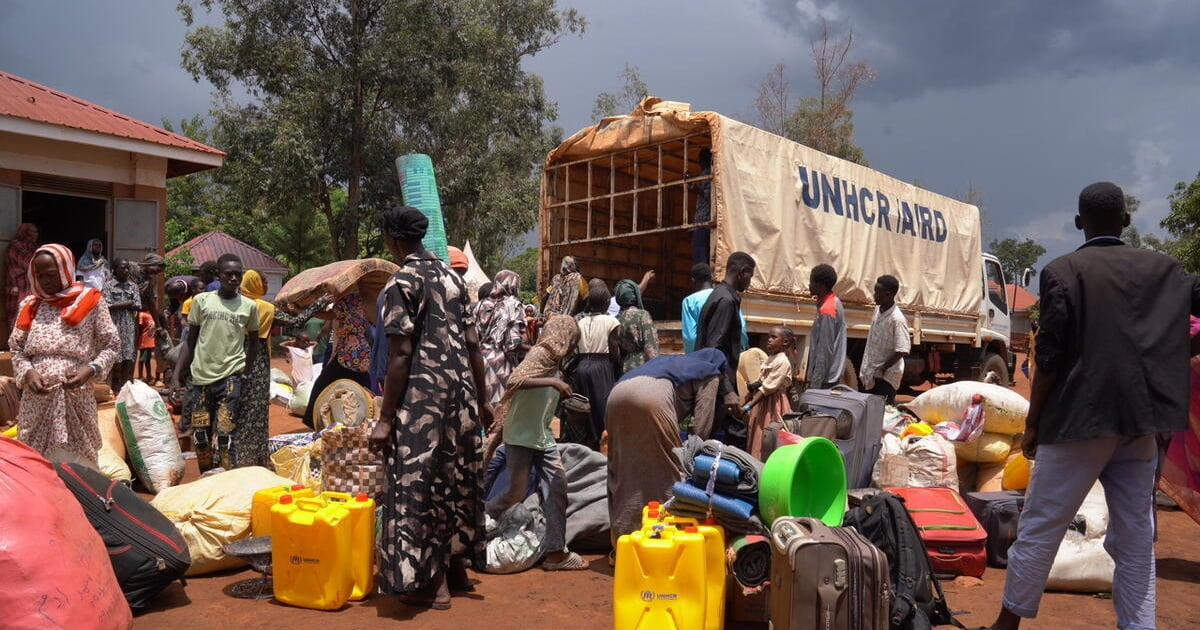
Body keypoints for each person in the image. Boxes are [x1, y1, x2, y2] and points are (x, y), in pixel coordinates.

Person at [982, 182, 1200, 630]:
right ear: (1126, 219)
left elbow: (1049, 357)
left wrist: (1034, 424)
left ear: (1079, 222)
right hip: (1140, 424)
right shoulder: (1165, 270)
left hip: (1076, 421)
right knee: (1136, 537)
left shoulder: (1063, 271)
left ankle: (1007, 625)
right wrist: (1182, 351)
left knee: (1042, 526)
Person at [369, 205, 489, 611]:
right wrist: (483, 401)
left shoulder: (402, 282)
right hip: (463, 396)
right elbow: (473, 344)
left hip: (424, 400)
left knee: (418, 485)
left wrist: (386, 419)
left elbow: (401, 353)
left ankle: (432, 583)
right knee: (456, 479)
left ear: (393, 239)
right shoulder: (453, 279)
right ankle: (456, 569)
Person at [485, 315, 587, 571]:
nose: (573, 347)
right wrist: (554, 382)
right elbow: (515, 380)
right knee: (516, 492)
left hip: (541, 434)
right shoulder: (540, 354)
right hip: (520, 435)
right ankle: (480, 521)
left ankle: (556, 552)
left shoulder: (555, 362)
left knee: (557, 484)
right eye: (572, 341)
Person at [9, 243, 118, 467]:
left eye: (51, 274)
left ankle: (78, 489)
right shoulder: (30, 305)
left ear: (66, 268)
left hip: (75, 396)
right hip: (37, 400)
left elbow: (111, 344)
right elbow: (17, 347)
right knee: (35, 461)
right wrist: (28, 372)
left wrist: (91, 370)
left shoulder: (91, 301)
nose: (45, 281)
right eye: (40, 276)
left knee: (79, 462)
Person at [606, 348, 728, 541]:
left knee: (623, 467)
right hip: (652, 397)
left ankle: (622, 539)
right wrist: (693, 458)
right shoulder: (710, 371)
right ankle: (663, 537)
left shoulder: (676, 364)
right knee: (668, 470)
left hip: (615, 394)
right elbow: (701, 426)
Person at [171, 253, 259, 473]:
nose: (234, 278)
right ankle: (207, 476)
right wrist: (176, 376)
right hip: (201, 381)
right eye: (229, 274)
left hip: (230, 379)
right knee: (200, 436)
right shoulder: (202, 301)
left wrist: (245, 372)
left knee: (225, 435)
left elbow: (254, 343)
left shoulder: (249, 306)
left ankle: (227, 479)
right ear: (219, 275)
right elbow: (190, 341)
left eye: (238, 274)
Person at [696, 252, 756, 429]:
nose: (750, 282)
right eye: (750, 276)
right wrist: (727, 391)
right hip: (716, 384)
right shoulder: (726, 301)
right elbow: (713, 349)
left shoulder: (720, 294)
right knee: (728, 434)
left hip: (717, 381)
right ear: (742, 272)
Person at [300, 292, 372, 428]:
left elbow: (328, 315)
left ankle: (312, 420)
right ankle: (368, 418)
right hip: (361, 351)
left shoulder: (347, 299)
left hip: (349, 352)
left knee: (323, 383)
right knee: (362, 385)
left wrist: (303, 310)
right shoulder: (360, 299)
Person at [571, 280, 621, 444]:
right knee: (602, 410)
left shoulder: (580, 322)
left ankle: (586, 444)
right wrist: (617, 368)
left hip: (581, 367)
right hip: (601, 367)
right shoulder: (611, 321)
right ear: (607, 303)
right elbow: (614, 350)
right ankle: (602, 445)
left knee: (584, 410)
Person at [235, 269, 275, 468]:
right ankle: (256, 458)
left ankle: (235, 455)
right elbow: (296, 321)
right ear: (256, 284)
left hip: (235, 358)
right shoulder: (266, 307)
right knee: (257, 409)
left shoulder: (235, 304)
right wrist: (319, 303)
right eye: (263, 282)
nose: (266, 286)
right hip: (258, 360)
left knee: (237, 407)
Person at [742, 326, 796, 460]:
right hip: (762, 402)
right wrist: (743, 401)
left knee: (768, 433)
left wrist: (748, 406)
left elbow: (767, 388)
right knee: (756, 432)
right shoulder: (770, 358)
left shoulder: (783, 362)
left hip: (774, 404)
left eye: (774, 337)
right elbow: (759, 383)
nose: (769, 340)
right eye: (769, 337)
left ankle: (765, 462)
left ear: (785, 342)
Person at [477, 270, 529, 407]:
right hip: (500, 364)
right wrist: (534, 348)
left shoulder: (481, 304)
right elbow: (512, 344)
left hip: (479, 361)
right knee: (500, 410)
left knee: (482, 406)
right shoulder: (513, 304)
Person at [859, 274, 910, 405]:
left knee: (884, 413)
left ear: (888, 294)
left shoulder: (897, 319)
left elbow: (902, 349)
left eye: (877, 293)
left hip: (886, 378)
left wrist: (882, 368)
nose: (874, 295)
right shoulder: (878, 309)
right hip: (872, 374)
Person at [681, 263, 747, 354]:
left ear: (693, 280)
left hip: (703, 355)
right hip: (726, 355)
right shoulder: (727, 295)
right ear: (711, 277)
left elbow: (690, 338)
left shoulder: (689, 301)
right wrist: (741, 349)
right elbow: (741, 328)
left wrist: (693, 356)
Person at [806, 263, 846, 390]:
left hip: (825, 379)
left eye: (811, 282)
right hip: (828, 377)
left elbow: (824, 351)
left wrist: (815, 386)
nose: (809, 285)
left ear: (821, 285)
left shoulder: (827, 309)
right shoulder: (833, 302)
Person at [103, 258, 141, 393]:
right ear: (115, 270)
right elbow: (107, 305)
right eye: (123, 268)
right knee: (115, 357)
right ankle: (113, 385)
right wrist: (128, 303)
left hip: (129, 327)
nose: (126, 270)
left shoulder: (133, 286)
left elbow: (138, 305)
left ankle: (125, 387)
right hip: (114, 326)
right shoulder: (108, 286)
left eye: (127, 268)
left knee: (128, 357)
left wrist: (120, 305)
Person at [614, 278, 659, 372]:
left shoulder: (615, 320)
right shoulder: (642, 315)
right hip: (641, 368)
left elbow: (615, 352)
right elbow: (651, 348)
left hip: (623, 370)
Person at [5, 222, 38, 335]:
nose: (35, 235)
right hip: (18, 287)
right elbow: (31, 264)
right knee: (17, 316)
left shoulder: (34, 248)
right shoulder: (16, 246)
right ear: (25, 233)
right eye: (32, 232)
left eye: (36, 232)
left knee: (30, 315)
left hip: (31, 287)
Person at [689, 148, 713, 265]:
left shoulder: (707, 173)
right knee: (705, 258)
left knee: (700, 259)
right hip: (706, 222)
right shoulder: (710, 173)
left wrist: (692, 185)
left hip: (703, 222)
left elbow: (708, 194)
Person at [136, 304, 156, 383]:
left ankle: (149, 376)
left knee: (148, 359)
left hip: (150, 340)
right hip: (144, 340)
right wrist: (137, 339)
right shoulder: (141, 314)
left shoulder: (150, 315)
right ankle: (140, 376)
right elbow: (139, 327)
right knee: (142, 359)